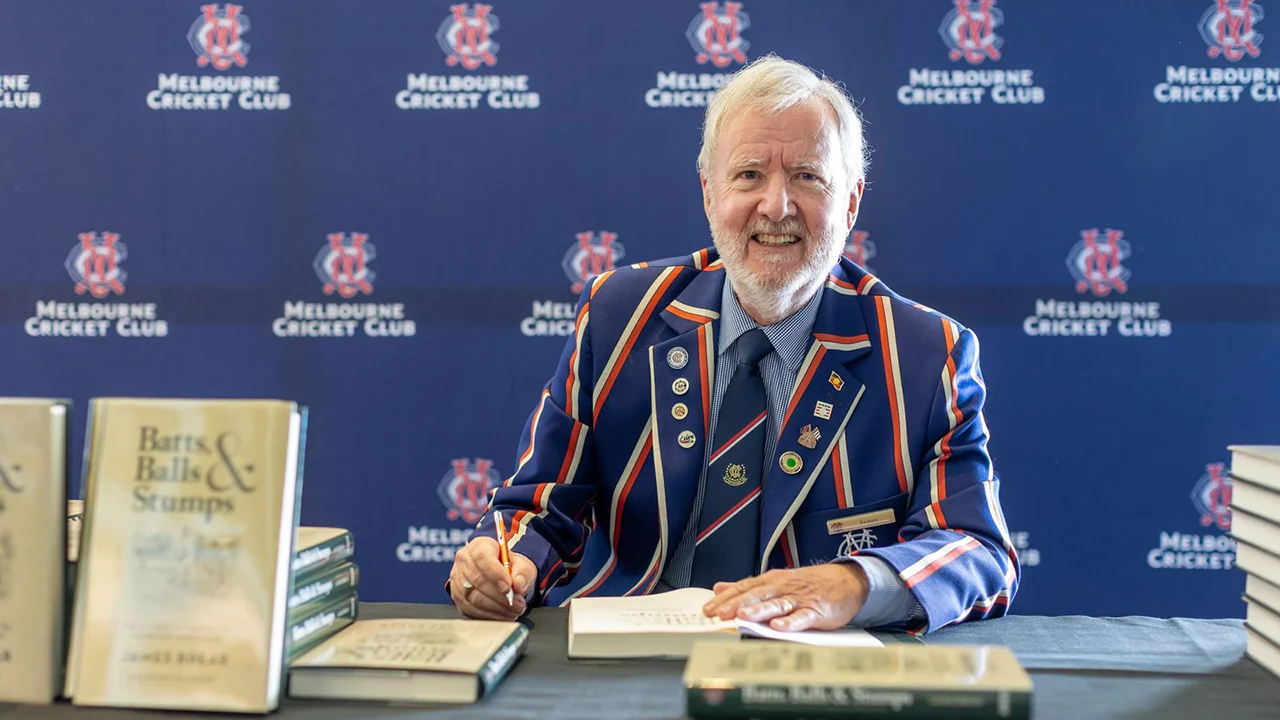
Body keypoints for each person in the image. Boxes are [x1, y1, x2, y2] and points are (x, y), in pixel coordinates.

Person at [448, 54, 1019, 634]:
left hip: (817, 663)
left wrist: (856, 583)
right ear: (708, 192)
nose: (776, 206)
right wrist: (505, 563)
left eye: (808, 176)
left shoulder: (925, 355)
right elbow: (538, 505)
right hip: (630, 654)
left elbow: (978, 548)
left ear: (851, 202)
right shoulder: (619, 316)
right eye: (749, 175)